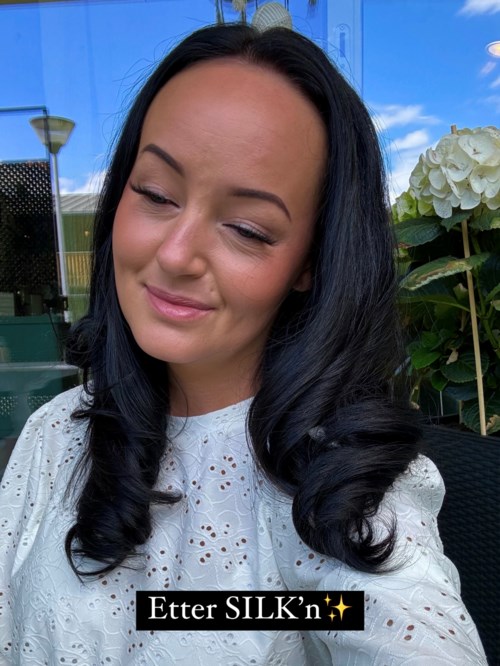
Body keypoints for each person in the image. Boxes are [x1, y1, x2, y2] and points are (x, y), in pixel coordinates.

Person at [0, 23, 487, 665]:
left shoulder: (339, 479)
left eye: (248, 229)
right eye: (155, 194)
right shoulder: (54, 432)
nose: (177, 255)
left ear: (310, 262)